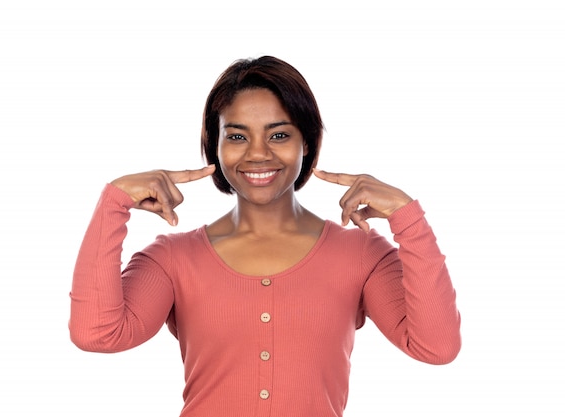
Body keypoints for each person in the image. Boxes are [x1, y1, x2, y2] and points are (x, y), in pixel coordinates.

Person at [69, 56, 461, 417]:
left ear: (306, 142)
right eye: (237, 137)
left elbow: (436, 347)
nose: (258, 154)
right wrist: (113, 203)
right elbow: (97, 334)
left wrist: (408, 218)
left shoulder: (361, 253)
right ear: (215, 145)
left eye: (278, 136)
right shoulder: (172, 258)